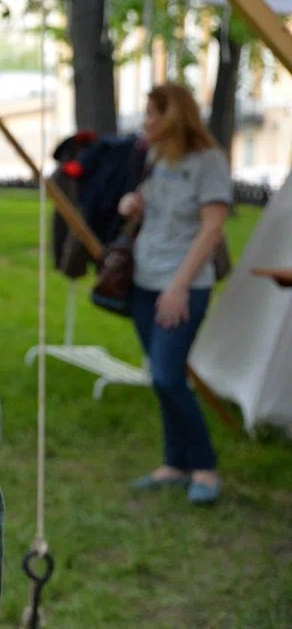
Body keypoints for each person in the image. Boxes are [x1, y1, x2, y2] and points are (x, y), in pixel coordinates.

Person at [118, 82, 231, 505]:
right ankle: (174, 464)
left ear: (173, 115)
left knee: (168, 376)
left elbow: (212, 229)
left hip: (182, 286)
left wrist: (179, 287)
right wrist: (131, 203)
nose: (145, 121)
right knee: (162, 377)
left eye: (152, 113)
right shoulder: (156, 156)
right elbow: (153, 206)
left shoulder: (209, 162)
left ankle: (204, 467)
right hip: (144, 281)